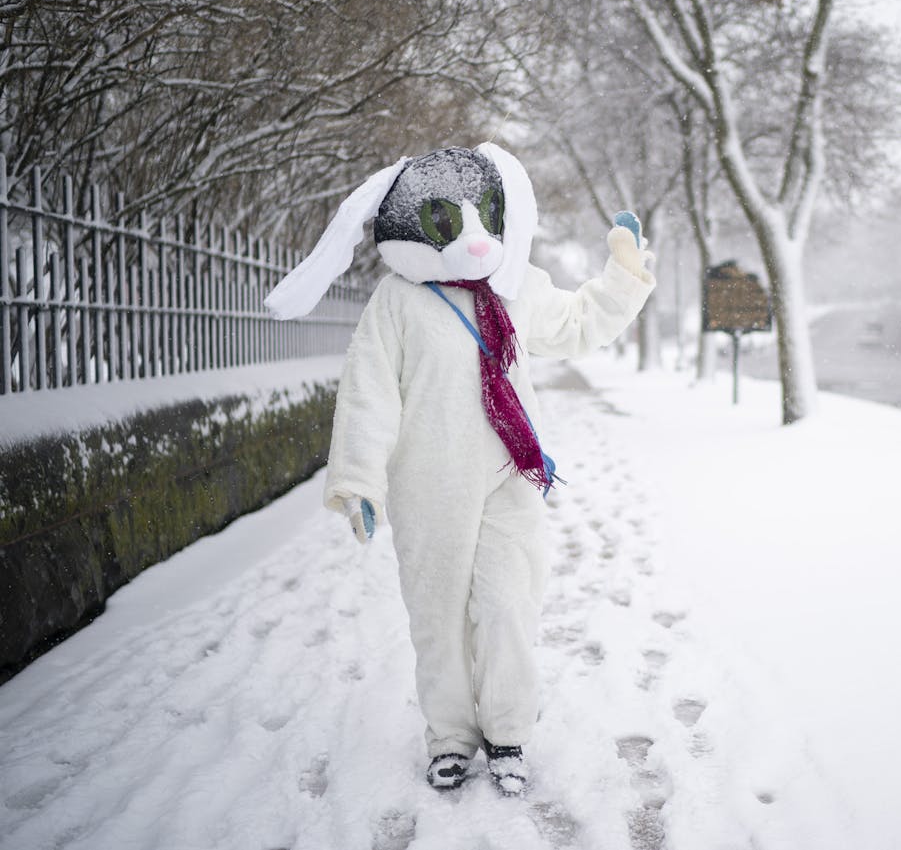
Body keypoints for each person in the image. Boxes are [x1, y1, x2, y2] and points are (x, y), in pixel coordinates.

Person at [265, 145, 654, 795]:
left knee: (506, 603)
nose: (473, 242)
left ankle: (508, 729)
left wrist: (623, 274)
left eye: (484, 221)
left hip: (509, 473)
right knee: (439, 617)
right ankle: (450, 736)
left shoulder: (516, 286)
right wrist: (358, 479)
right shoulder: (397, 303)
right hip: (429, 483)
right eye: (449, 223)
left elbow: (580, 322)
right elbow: (369, 392)